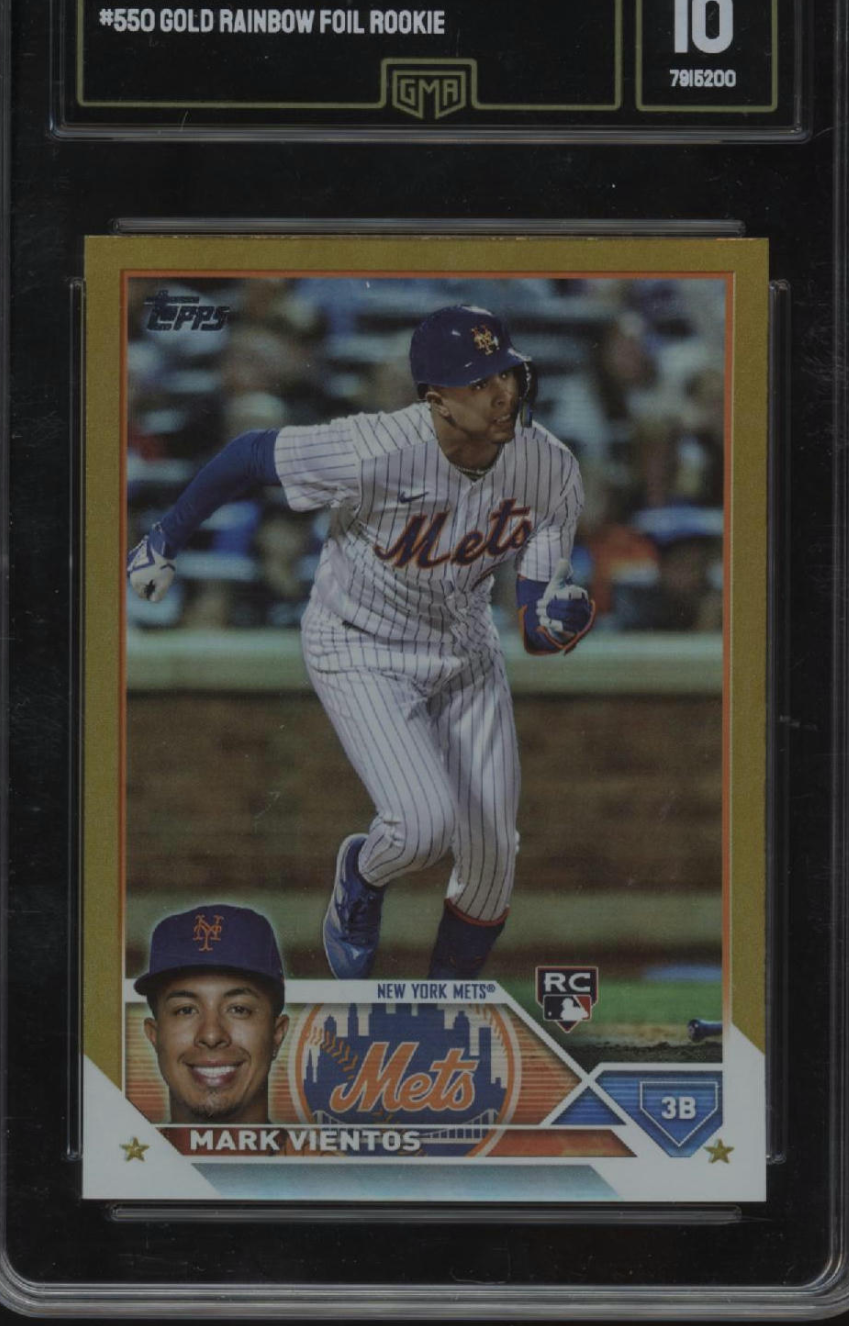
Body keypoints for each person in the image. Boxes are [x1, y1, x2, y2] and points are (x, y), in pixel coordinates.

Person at [128, 306, 596, 982]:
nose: (502, 394)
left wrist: (558, 622)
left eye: (506, 374)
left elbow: (534, 626)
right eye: (479, 382)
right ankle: (362, 870)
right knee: (420, 828)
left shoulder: (548, 467)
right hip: (360, 644)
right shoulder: (375, 447)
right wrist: (164, 538)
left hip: (465, 652)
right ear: (435, 398)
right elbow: (248, 454)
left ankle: (444, 1008)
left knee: (494, 856)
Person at [134, 904, 289, 1125]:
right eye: (186, 1010)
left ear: (277, 1034)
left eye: (238, 1009)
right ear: (154, 1035)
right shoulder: (116, 1150)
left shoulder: (321, 1151)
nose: (211, 1035)